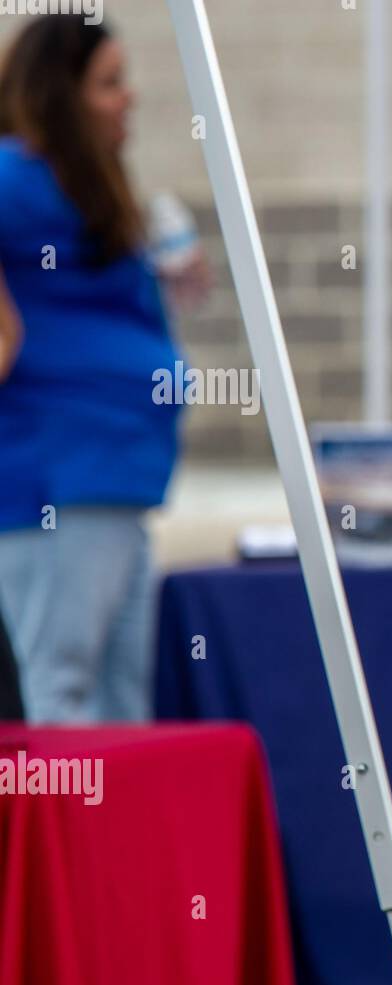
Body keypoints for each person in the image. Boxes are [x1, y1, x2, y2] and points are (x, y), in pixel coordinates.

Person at [0, 15, 191, 722]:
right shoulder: (13, 176)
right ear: (60, 92)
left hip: (116, 486)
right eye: (109, 83)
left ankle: (112, 834)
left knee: (120, 708)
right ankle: (73, 834)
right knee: (65, 693)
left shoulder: (79, 189)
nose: (128, 98)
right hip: (55, 479)